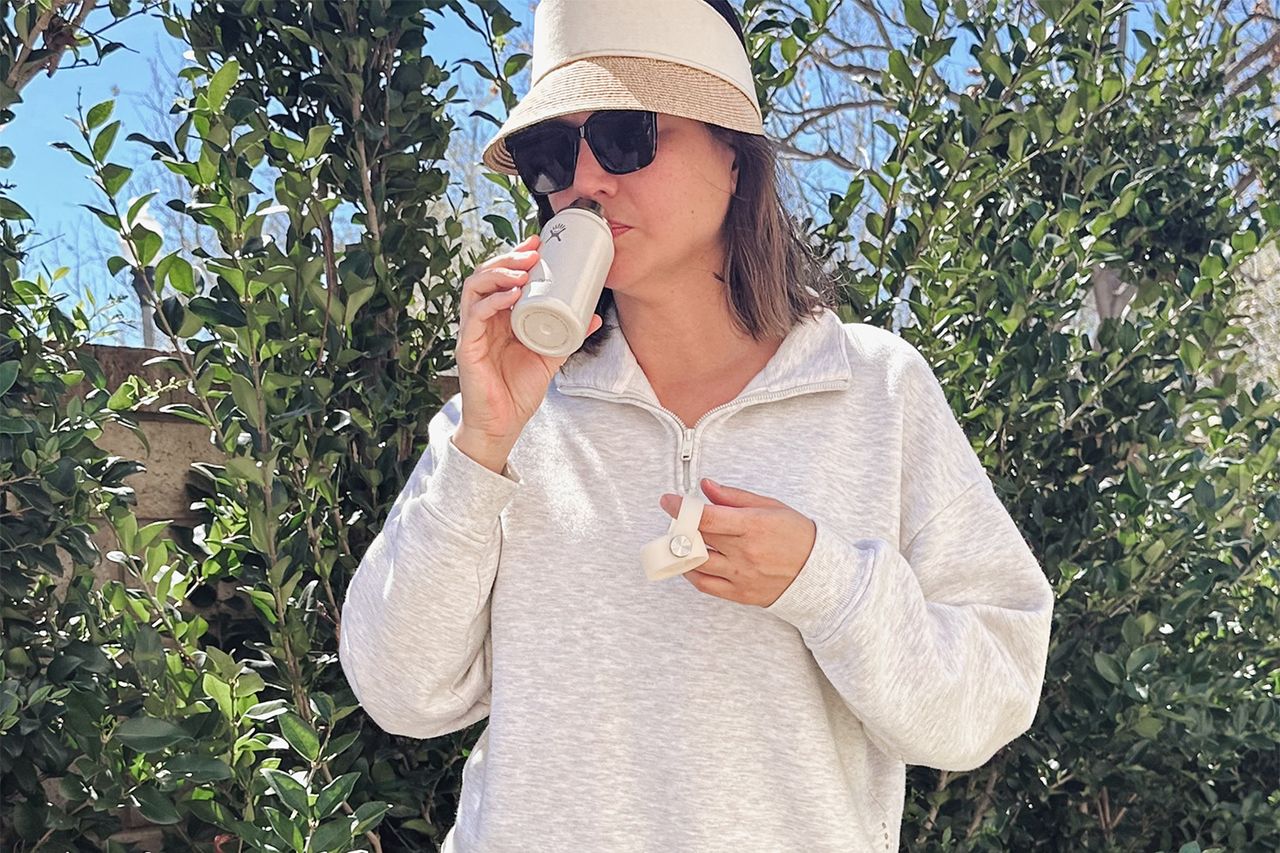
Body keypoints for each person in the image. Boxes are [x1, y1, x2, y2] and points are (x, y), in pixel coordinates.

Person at [338, 0, 1055, 850]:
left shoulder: (874, 390)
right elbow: (398, 691)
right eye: (549, 153)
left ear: (734, 153)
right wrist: (482, 446)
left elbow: (989, 698)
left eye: (625, 135)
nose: (584, 181)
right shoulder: (504, 414)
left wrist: (827, 585)